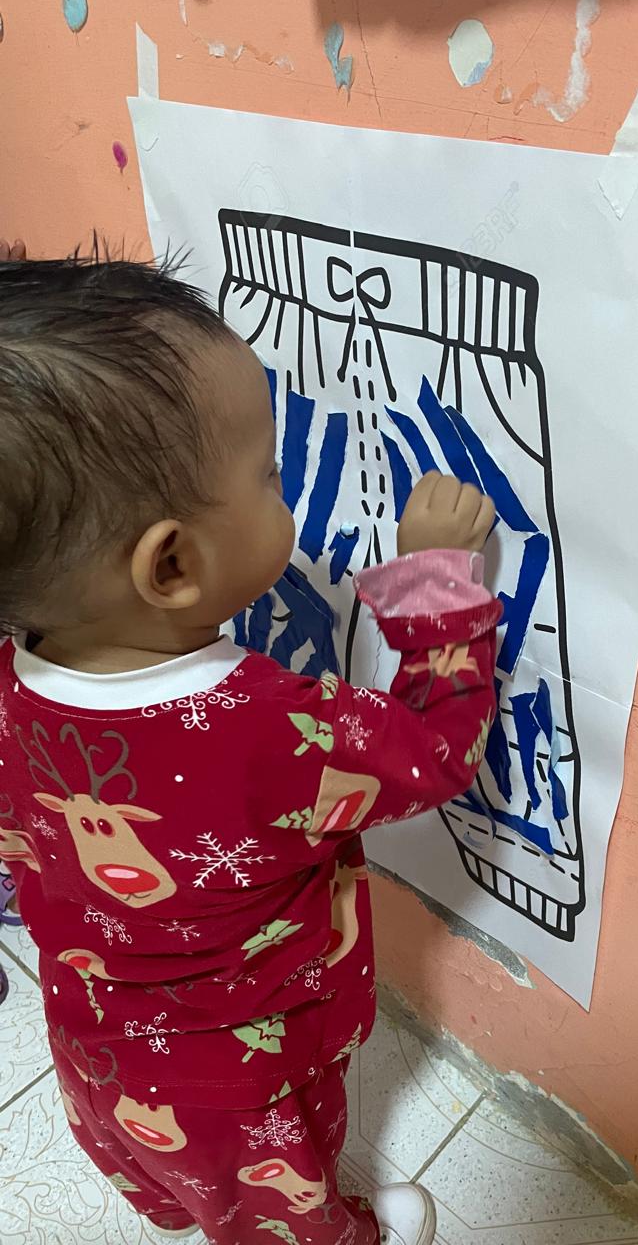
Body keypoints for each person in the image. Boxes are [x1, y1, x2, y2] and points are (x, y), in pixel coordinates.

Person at [0, 244, 499, 1245]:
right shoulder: (269, 726)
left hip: (94, 1039)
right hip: (245, 1077)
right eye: (269, 472)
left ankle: (167, 1204)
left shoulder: (12, 683)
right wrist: (437, 578)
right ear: (171, 566)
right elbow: (435, 750)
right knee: (273, 1208)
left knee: (149, 1156)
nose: (285, 487)